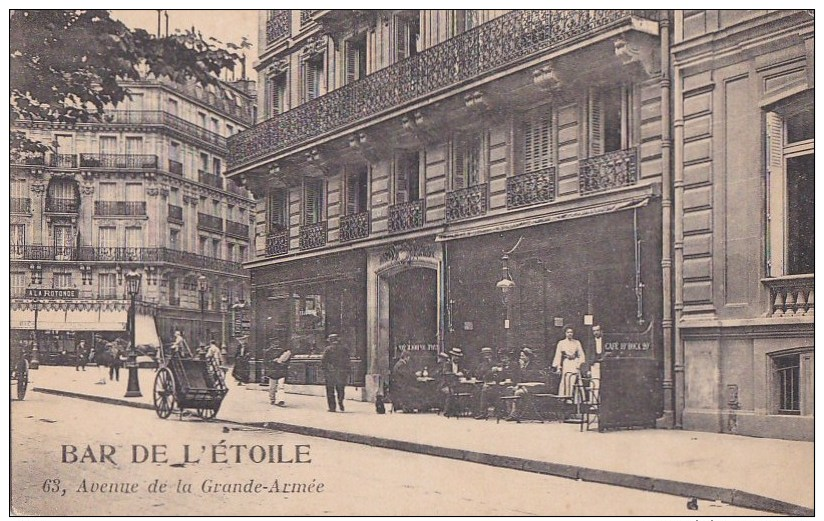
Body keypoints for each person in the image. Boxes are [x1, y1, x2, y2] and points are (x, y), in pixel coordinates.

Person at [552, 326, 586, 396]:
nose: (569, 334)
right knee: (566, 380)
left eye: (571, 332)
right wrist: (558, 367)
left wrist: (579, 364)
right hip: (567, 363)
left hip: (575, 363)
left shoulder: (577, 342)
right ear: (565, 333)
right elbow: (558, 355)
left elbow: (581, 354)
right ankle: (566, 397)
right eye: (568, 332)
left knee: (575, 380)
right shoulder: (561, 343)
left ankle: (576, 399)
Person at [321, 334, 350, 412]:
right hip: (341, 372)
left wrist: (325, 370)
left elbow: (323, 361)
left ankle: (332, 407)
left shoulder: (328, 349)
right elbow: (348, 360)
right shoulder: (344, 349)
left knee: (330, 390)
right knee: (341, 389)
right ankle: (340, 401)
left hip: (331, 373)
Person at [473, 347, 502, 419]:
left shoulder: (495, 363)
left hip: (495, 384)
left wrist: (489, 373)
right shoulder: (481, 365)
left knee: (485, 390)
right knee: (475, 391)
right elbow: (477, 375)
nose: (486, 356)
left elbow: (498, 374)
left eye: (488, 354)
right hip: (482, 383)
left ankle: (483, 413)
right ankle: (477, 411)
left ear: (491, 355)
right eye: (484, 355)